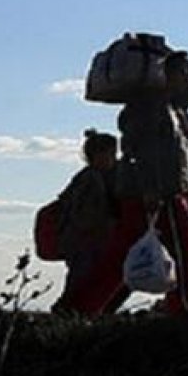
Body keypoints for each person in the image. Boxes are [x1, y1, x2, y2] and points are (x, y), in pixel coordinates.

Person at [73, 51, 188, 316]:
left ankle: (77, 308)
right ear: (166, 75)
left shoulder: (172, 105)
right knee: (185, 251)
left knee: (119, 257)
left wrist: (166, 53)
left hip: (153, 193)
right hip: (159, 194)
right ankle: (183, 307)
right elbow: (136, 150)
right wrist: (151, 189)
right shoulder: (151, 107)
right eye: (182, 73)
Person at [49, 130, 119, 314]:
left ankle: (76, 312)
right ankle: (66, 312)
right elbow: (86, 215)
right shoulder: (89, 180)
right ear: (95, 156)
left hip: (86, 240)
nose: (112, 158)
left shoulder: (100, 177)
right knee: (81, 280)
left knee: (90, 280)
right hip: (84, 241)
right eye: (109, 154)